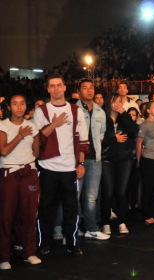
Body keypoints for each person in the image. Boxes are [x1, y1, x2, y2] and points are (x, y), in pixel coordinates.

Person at [33, 74, 89, 256]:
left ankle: (72, 243)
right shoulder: (42, 111)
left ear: (65, 87)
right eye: (52, 86)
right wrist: (54, 124)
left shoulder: (76, 110)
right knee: (46, 208)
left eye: (59, 85)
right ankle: (43, 243)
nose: (56, 88)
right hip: (47, 167)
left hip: (69, 169)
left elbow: (82, 140)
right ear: (48, 89)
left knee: (71, 209)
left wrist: (80, 163)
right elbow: (37, 140)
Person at [0, 94, 41, 270]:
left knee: (30, 214)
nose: (19, 107)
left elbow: (37, 152)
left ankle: (29, 252)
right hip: (9, 172)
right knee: (6, 215)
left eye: (22, 103)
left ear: (26, 106)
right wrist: (19, 135)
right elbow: (3, 151)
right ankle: (4, 257)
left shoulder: (32, 126)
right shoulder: (2, 125)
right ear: (9, 107)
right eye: (15, 103)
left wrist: (28, 164)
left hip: (28, 172)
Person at [101, 93, 139, 235]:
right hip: (107, 159)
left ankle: (122, 221)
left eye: (119, 101)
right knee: (108, 193)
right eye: (114, 101)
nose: (117, 103)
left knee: (122, 193)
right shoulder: (102, 118)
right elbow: (99, 140)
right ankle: (105, 223)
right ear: (108, 103)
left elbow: (134, 131)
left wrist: (124, 113)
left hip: (124, 159)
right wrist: (114, 138)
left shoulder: (124, 118)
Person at [76, 78, 109, 240]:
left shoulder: (100, 111)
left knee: (91, 196)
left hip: (95, 158)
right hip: (76, 159)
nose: (89, 90)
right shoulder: (72, 109)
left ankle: (91, 228)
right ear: (79, 91)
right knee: (74, 195)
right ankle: (72, 230)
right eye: (85, 87)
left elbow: (101, 136)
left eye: (91, 87)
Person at [136, 101, 154, 225]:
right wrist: (139, 161)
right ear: (148, 110)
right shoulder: (145, 125)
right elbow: (138, 144)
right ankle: (146, 214)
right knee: (148, 188)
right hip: (148, 159)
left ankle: (151, 212)